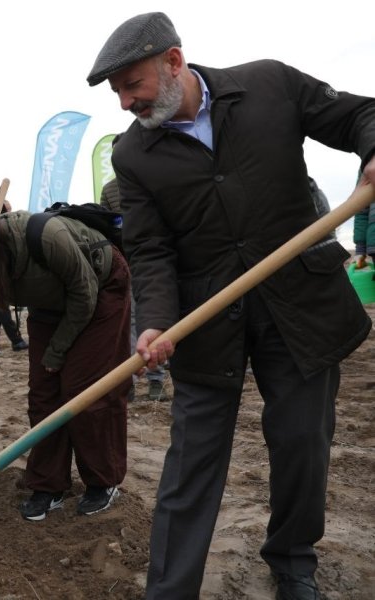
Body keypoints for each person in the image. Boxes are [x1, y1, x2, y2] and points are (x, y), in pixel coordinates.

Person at [88, 12, 375, 599]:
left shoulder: (269, 85)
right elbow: (149, 249)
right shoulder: (133, 156)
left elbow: (360, 114)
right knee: (191, 461)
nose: (124, 103)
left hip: (299, 302)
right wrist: (157, 323)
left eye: (132, 85)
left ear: (174, 62)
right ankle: (170, 589)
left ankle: (293, 560)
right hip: (205, 318)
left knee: (302, 442)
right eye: (117, 91)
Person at [0, 199, 130, 521]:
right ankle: (48, 485)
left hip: (100, 289)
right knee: (43, 395)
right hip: (50, 305)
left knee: (84, 391)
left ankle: (102, 482)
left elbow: (85, 294)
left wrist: (57, 352)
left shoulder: (46, 235)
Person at [99, 135, 167, 401]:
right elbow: (104, 225)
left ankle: (156, 381)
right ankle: (128, 381)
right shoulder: (110, 189)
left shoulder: (154, 182)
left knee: (153, 319)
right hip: (124, 265)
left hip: (153, 264)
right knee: (128, 322)